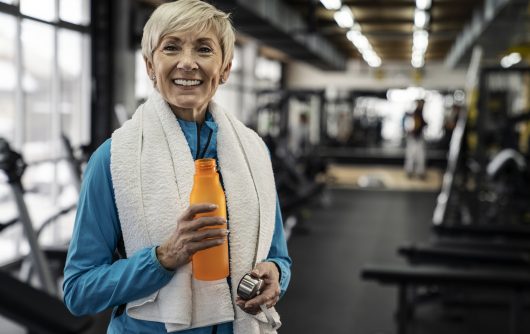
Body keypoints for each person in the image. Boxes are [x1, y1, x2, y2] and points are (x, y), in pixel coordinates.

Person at [62, 1, 291, 333]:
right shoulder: (112, 160)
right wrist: (162, 258)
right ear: (150, 66)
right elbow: (78, 291)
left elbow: (278, 256)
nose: (187, 62)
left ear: (225, 68)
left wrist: (275, 274)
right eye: (171, 47)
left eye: (203, 49)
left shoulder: (255, 153)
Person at [403, 99, 427, 179]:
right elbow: (413, 126)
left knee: (419, 156)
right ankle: (410, 171)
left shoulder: (419, 113)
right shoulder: (415, 113)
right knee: (412, 155)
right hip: (414, 138)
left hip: (417, 137)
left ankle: (419, 172)